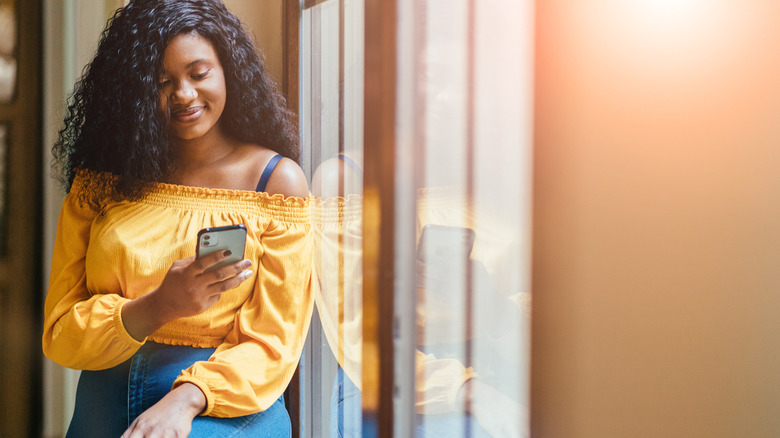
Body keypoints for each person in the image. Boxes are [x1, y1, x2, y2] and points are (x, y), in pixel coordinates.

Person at [42, 1, 313, 437]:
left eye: (199, 73)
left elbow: (274, 342)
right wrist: (160, 305)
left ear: (228, 70)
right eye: (162, 82)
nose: (184, 94)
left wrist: (184, 400)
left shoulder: (276, 183)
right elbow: (60, 329)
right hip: (101, 402)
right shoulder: (101, 183)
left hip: (224, 407)